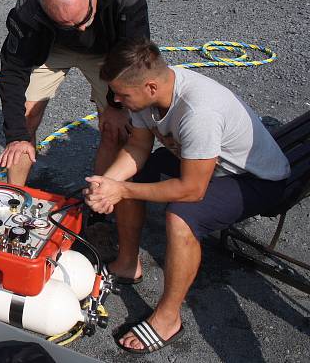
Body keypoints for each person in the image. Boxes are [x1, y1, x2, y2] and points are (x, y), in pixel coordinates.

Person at [83, 38, 291, 354]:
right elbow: (138, 146)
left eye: (122, 94)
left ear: (150, 87)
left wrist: (122, 189)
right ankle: (127, 262)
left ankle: (168, 318)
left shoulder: (198, 112)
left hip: (256, 180)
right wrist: (107, 183)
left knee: (182, 215)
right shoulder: (148, 96)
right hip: (207, 165)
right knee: (130, 174)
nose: (115, 99)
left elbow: (192, 190)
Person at [0, 0, 150, 186]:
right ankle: (14, 201)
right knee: (24, 119)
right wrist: (16, 136)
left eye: (85, 18)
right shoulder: (30, 3)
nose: (81, 29)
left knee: (114, 127)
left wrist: (114, 103)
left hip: (108, 51)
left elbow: (134, 53)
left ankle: (99, 207)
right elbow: (13, 70)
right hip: (53, 47)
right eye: (68, 24)